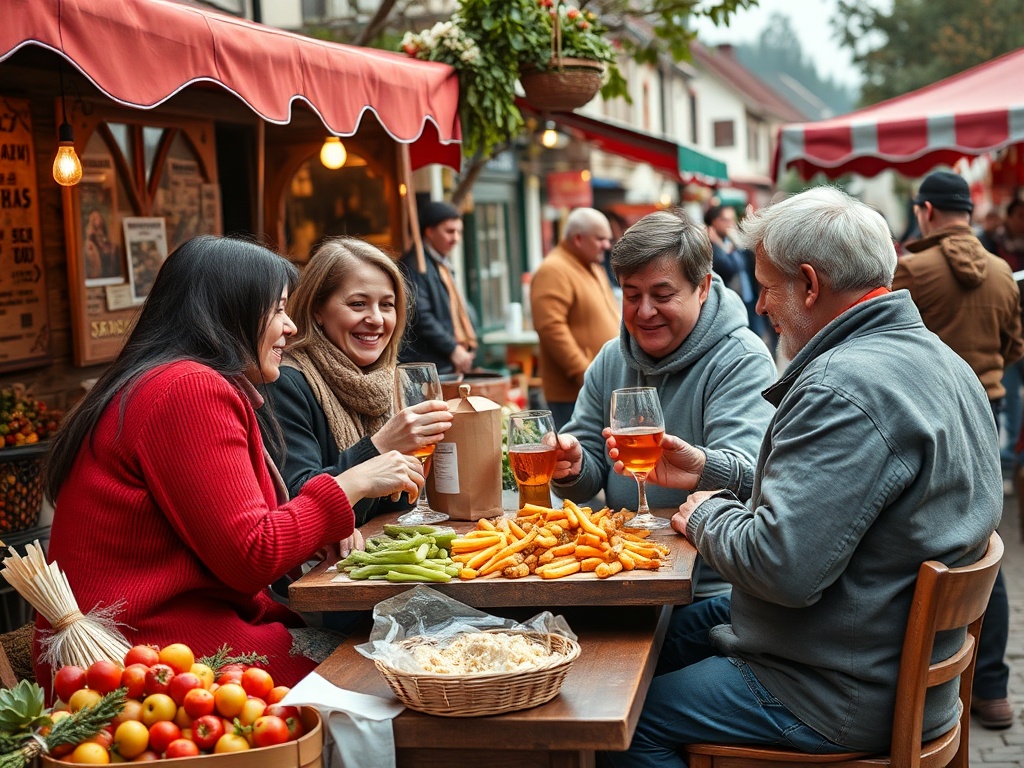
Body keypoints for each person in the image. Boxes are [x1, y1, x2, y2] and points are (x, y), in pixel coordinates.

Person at [600, 187, 1001, 768]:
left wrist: (705, 512)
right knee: (659, 635)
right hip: (872, 655)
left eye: (765, 287)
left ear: (810, 285)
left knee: (621, 721)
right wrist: (712, 469)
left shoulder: (843, 387)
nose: (759, 306)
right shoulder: (940, 358)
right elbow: (829, 503)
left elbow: (780, 568)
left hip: (833, 690)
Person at [34, 236, 424, 690]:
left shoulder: (163, 381)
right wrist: (350, 484)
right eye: (278, 309)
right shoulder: (187, 389)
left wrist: (312, 530)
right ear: (230, 311)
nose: (291, 327)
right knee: (394, 676)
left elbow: (229, 534)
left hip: (151, 643)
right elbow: (250, 555)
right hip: (154, 659)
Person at [551, 209, 776, 598]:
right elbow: (585, 470)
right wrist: (573, 468)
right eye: (632, 295)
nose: (644, 312)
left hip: (708, 591)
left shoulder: (741, 358)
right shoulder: (611, 358)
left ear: (702, 288)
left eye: (662, 295)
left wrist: (702, 465)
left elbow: (752, 479)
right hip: (622, 576)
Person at [894, 170, 1023, 730]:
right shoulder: (1001, 273)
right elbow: (1016, 345)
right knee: (980, 545)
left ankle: (932, 688)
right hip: (986, 417)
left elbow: (886, 342)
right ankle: (992, 689)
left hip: (919, 422)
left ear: (924, 212)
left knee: (922, 551)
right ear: (968, 212)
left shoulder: (912, 269)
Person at [264, 237, 452, 521]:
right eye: (358, 304)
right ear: (317, 310)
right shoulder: (285, 383)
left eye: (387, 305)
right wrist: (380, 447)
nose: (376, 319)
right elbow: (297, 502)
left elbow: (399, 504)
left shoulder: (390, 380)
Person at [530, 208, 620, 430]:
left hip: (597, 385)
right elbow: (551, 327)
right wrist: (585, 373)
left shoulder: (592, 266)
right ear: (578, 238)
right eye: (600, 239)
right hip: (573, 392)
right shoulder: (554, 269)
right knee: (578, 455)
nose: (607, 246)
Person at [398, 201, 477, 374]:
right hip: (426, 366)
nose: (455, 238)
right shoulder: (414, 265)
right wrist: (452, 349)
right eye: (449, 231)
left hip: (442, 362)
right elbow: (421, 316)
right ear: (430, 231)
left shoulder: (441, 264)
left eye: (459, 232)